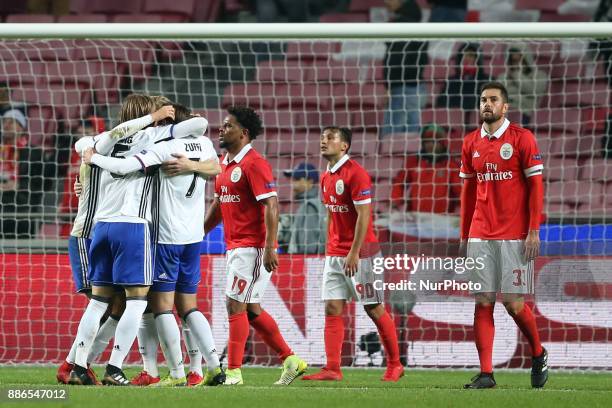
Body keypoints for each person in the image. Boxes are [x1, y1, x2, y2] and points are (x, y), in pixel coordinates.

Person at [84, 104, 225, 387]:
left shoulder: (164, 148)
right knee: (188, 306)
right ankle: (211, 368)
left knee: (156, 308)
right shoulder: (205, 144)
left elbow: (124, 167)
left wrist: (94, 159)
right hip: (193, 236)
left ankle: (175, 374)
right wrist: (194, 165)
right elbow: (217, 166)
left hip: (164, 236)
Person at [67, 95, 177, 386]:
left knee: (99, 303)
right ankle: (114, 366)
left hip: (101, 227)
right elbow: (195, 127)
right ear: (147, 115)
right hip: (132, 226)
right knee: (137, 302)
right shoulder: (156, 139)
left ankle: (78, 365)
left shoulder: (103, 141)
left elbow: (86, 145)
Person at [203, 106, 307, 385]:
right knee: (250, 309)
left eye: (228, 126)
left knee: (234, 304)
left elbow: (271, 204)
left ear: (243, 133)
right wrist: (199, 232)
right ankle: (291, 359)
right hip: (235, 246)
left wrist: (271, 246)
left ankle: (234, 372)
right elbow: (219, 203)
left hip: (253, 247)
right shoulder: (224, 163)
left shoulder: (254, 163)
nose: (221, 130)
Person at [459, 82, 548, 389]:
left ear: (505, 106)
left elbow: (536, 186)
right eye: (483, 99)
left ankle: (538, 353)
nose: (487, 104)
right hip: (481, 233)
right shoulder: (471, 142)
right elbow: (468, 191)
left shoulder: (522, 139)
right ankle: (486, 373)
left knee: (513, 303)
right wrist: (464, 234)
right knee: (482, 301)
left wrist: (533, 230)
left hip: (514, 234)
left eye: (493, 99)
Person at [302, 127, 403, 382]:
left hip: (362, 253)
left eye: (330, 138)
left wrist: (354, 252)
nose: (324, 141)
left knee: (373, 307)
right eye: (322, 138)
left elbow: (364, 216)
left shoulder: (356, 174)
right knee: (332, 307)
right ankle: (333, 368)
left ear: (344, 146)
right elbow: (332, 216)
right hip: (335, 253)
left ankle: (395, 364)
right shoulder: (326, 176)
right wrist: (329, 247)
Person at [382, 0, 428, 136]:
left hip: (403, 87)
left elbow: (396, 61)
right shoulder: (422, 32)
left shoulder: (400, 30)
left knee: (393, 135)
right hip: (417, 86)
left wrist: (389, 86)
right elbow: (424, 60)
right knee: (412, 132)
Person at [391, 124, 461, 213]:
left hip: (442, 218)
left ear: (442, 143)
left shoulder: (451, 165)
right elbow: (399, 184)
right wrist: (394, 203)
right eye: (428, 141)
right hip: (415, 217)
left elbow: (461, 192)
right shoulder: (413, 161)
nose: (431, 145)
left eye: (435, 141)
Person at [58, 116, 106, 237]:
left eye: (87, 128)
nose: (81, 130)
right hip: (69, 215)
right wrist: (63, 204)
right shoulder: (74, 154)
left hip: (93, 214)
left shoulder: (104, 155)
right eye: (81, 126)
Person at [0, 109, 44, 238]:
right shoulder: (1, 150)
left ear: (20, 127)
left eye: (11, 122)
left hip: (24, 212)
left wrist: (18, 186)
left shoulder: (34, 153)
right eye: (4, 122)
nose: (6, 125)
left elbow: (42, 184)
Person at [280, 162, 326, 254]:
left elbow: (308, 248)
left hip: (305, 265)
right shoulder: (307, 204)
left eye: (297, 179)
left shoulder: (310, 206)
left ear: (310, 181)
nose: (293, 183)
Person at [497, 46, 548, 126]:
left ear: (527, 59)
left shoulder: (539, 75)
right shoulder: (503, 77)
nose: (516, 63)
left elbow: (533, 91)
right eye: (513, 60)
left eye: (519, 60)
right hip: (503, 113)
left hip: (525, 114)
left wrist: (516, 74)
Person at [437, 43, 490, 111]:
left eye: (470, 55)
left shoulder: (487, 81)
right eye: (463, 56)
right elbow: (442, 104)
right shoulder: (451, 81)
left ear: (478, 59)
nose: (466, 58)